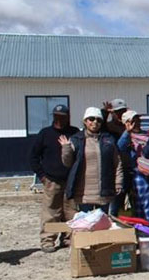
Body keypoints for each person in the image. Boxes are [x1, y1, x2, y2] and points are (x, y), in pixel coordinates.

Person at [31, 104, 79, 253]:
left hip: (71, 181)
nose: (60, 119)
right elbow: (33, 157)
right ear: (53, 116)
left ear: (68, 117)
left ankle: (68, 238)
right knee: (50, 212)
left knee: (71, 212)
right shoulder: (45, 134)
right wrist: (42, 176)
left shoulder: (75, 133)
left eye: (63, 117)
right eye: (57, 116)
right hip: (51, 180)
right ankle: (47, 240)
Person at [60, 107, 123, 213]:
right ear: (85, 121)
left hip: (104, 190)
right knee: (86, 221)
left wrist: (118, 182)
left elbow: (117, 162)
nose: (95, 122)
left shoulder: (108, 140)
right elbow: (67, 163)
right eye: (91, 119)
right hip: (83, 192)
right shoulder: (76, 139)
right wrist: (66, 148)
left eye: (98, 120)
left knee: (102, 221)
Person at [116, 110, 149, 225]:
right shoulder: (127, 137)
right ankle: (144, 225)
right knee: (142, 201)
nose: (136, 123)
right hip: (138, 174)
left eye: (137, 119)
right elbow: (120, 147)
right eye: (132, 121)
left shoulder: (147, 134)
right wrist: (127, 131)